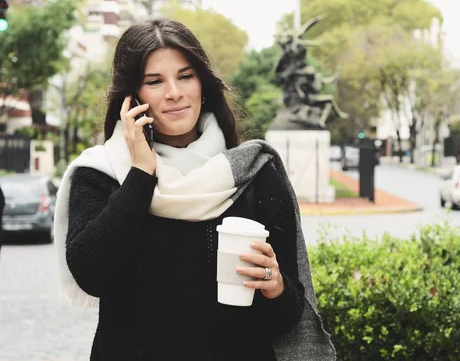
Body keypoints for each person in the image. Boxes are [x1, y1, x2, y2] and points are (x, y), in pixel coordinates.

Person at [53, 18, 335, 360]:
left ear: (203, 84)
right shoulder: (101, 173)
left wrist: (275, 286)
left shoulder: (253, 172)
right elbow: (92, 275)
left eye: (185, 76)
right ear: (132, 97)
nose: (175, 93)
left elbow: (286, 318)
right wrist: (142, 172)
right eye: (155, 81)